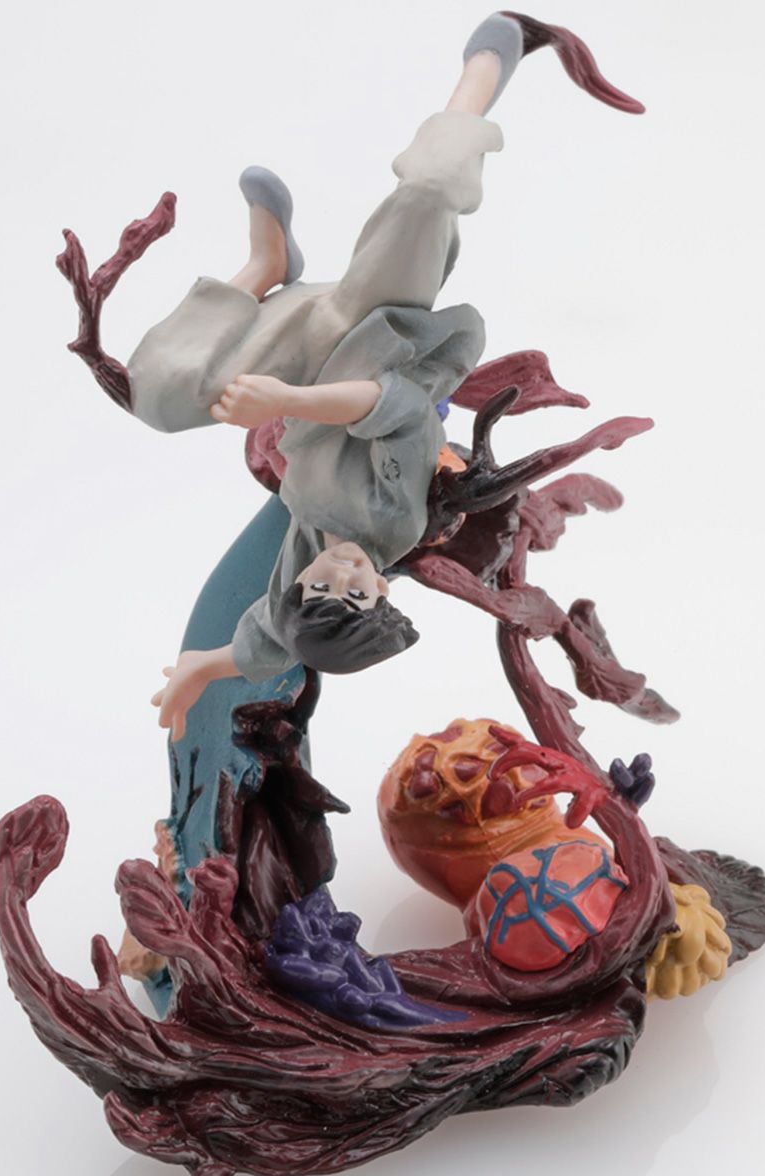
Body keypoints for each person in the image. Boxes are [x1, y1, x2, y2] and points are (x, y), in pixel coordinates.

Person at [138, 13, 641, 740]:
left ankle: (264, 268)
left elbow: (260, 649)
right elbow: (396, 406)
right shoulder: (388, 522)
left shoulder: (294, 593)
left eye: (321, 589)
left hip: (301, 348)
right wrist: (286, 400)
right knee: (428, 192)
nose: (339, 573)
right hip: (377, 332)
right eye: (357, 591)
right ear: (381, 590)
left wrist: (196, 671)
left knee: (160, 398)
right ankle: (490, 63)